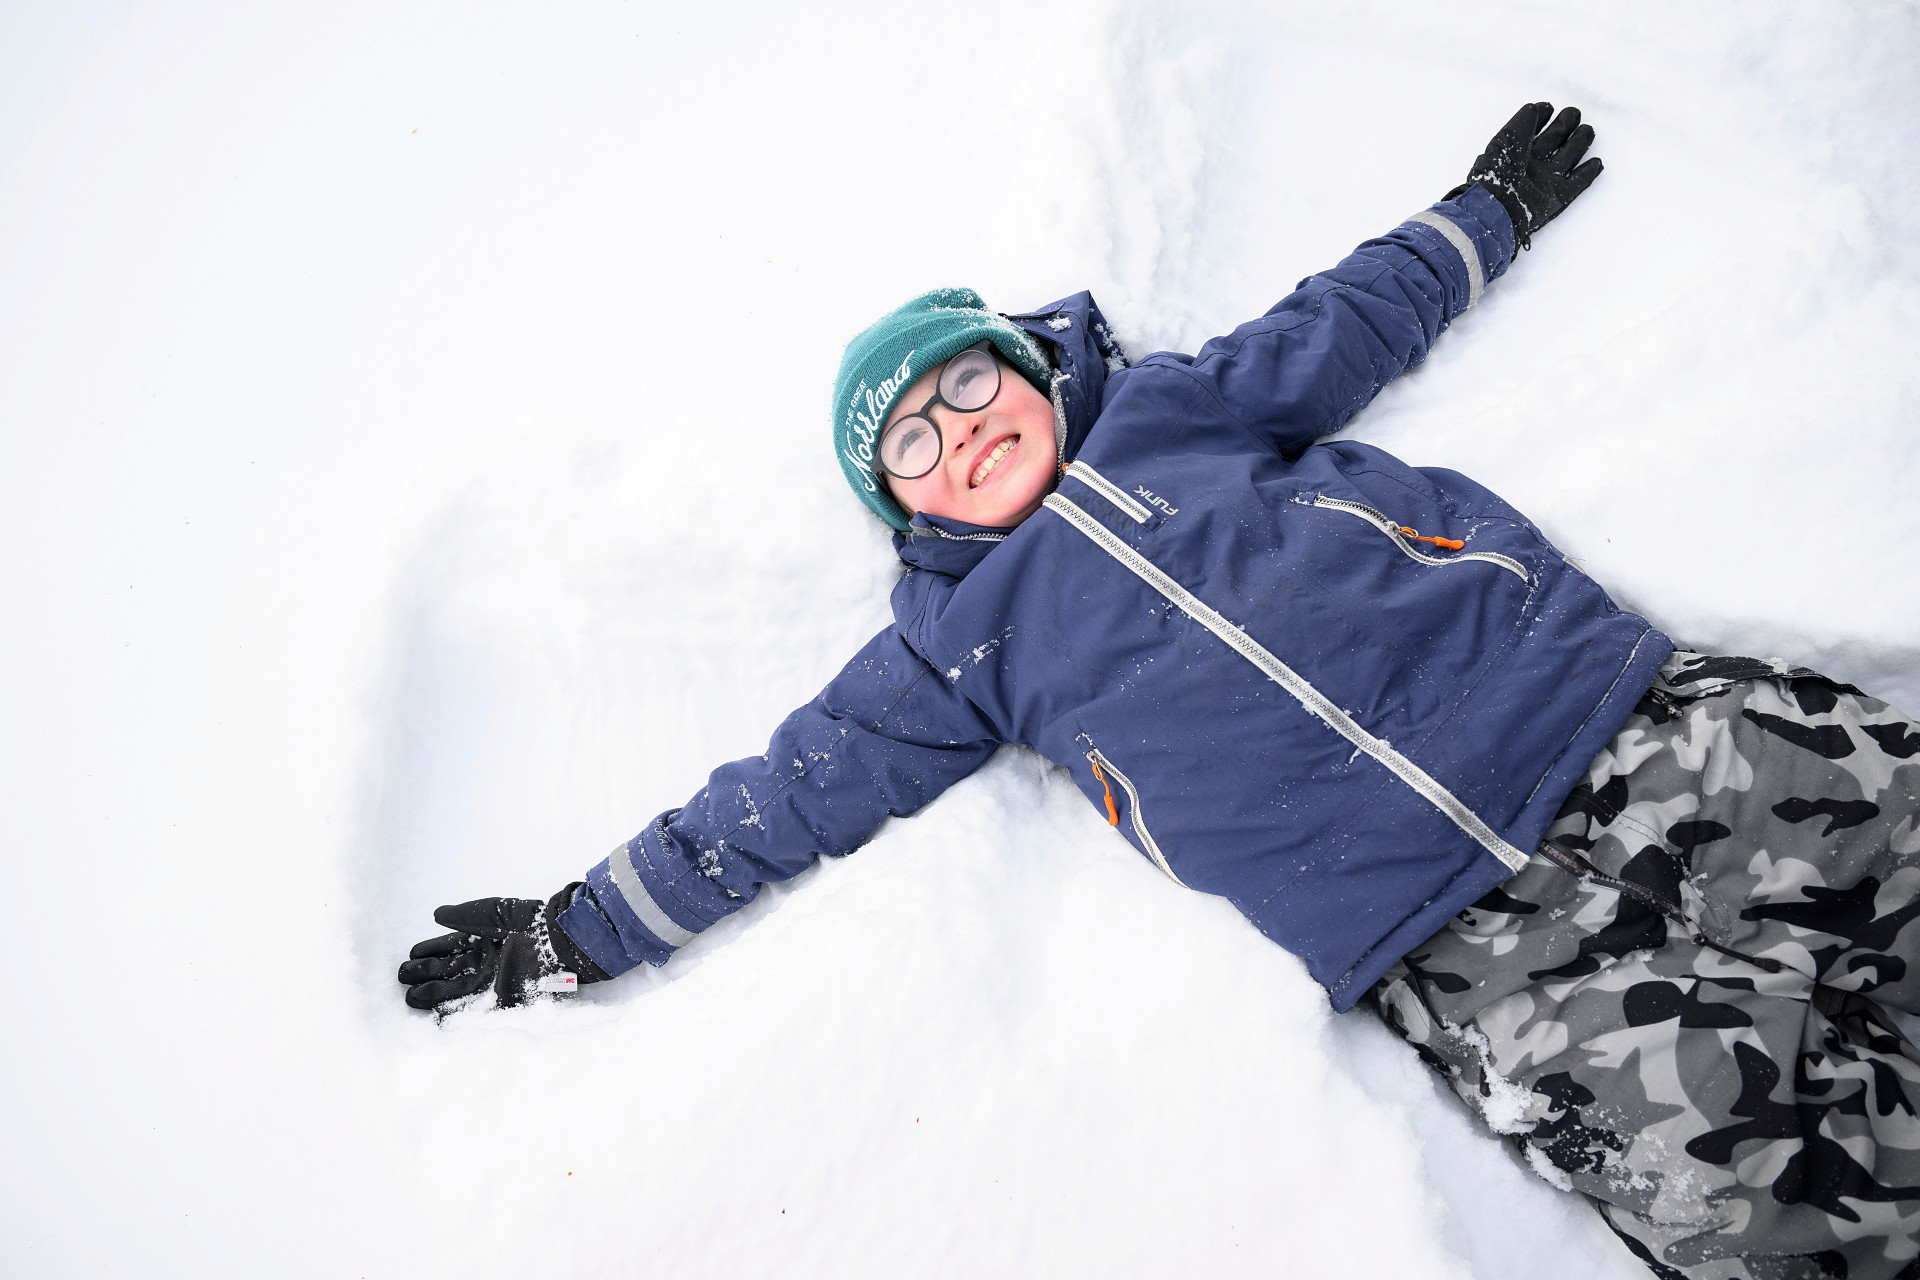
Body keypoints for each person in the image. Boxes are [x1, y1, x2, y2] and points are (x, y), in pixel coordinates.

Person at [397, 104, 1920, 1279]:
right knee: (1752, 1190)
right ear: (906, 513)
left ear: (1028, 370)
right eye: (911, 447)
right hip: (1453, 944)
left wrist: (1482, 215)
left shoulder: (1178, 410)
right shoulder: (951, 647)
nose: (956, 434)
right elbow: (781, 800)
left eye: (966, 387)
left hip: (1606, 724)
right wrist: (579, 926)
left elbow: (1348, 319)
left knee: (1885, 825)